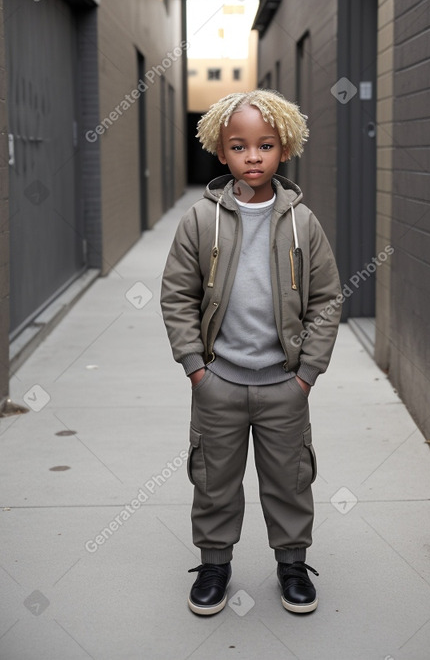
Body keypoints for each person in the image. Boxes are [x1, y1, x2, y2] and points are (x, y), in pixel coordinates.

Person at [161, 89, 342, 616]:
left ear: (284, 148)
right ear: (222, 152)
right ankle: (214, 564)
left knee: (289, 479)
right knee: (214, 479)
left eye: (265, 145)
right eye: (240, 146)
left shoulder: (303, 222)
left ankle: (292, 564)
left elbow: (328, 298)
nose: (254, 156)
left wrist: (307, 373)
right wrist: (196, 368)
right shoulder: (200, 220)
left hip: (285, 384)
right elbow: (176, 295)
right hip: (218, 381)